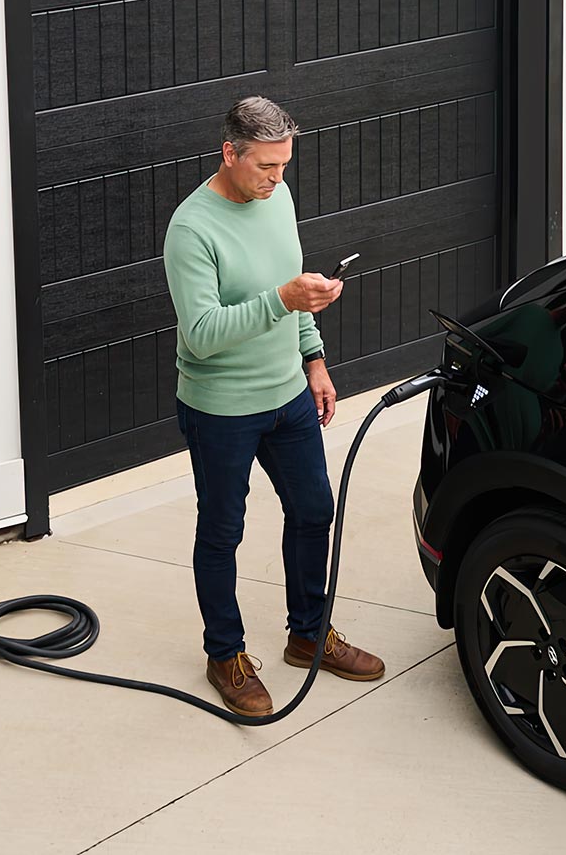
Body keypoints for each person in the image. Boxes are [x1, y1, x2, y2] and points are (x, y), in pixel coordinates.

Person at [161, 95, 386, 716]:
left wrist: (312, 359)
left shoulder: (275, 198)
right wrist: (283, 301)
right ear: (229, 152)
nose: (276, 179)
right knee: (223, 530)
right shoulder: (191, 229)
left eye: (284, 166)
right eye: (264, 166)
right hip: (221, 409)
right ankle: (224, 655)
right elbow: (202, 334)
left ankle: (308, 634)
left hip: (287, 394)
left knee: (315, 511)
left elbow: (291, 287)